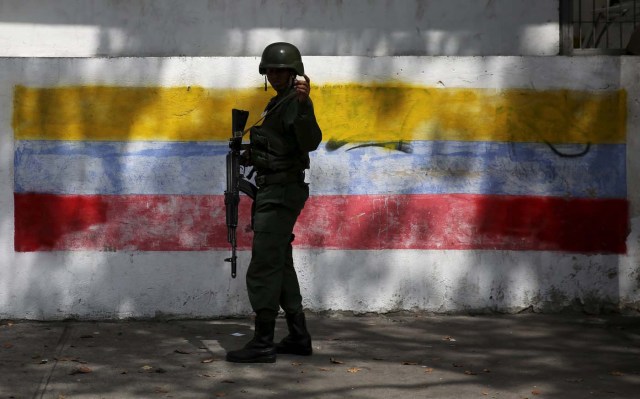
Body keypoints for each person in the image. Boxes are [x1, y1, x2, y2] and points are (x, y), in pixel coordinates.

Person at [226, 42, 322, 363]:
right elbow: (282, 145)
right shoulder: (277, 104)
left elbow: (310, 141)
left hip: (281, 194)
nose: (276, 74)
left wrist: (305, 105)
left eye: (282, 70)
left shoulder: (295, 102)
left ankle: (263, 342)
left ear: (294, 72)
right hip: (273, 190)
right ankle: (298, 336)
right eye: (271, 69)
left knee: (264, 265)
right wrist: (253, 153)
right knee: (280, 263)